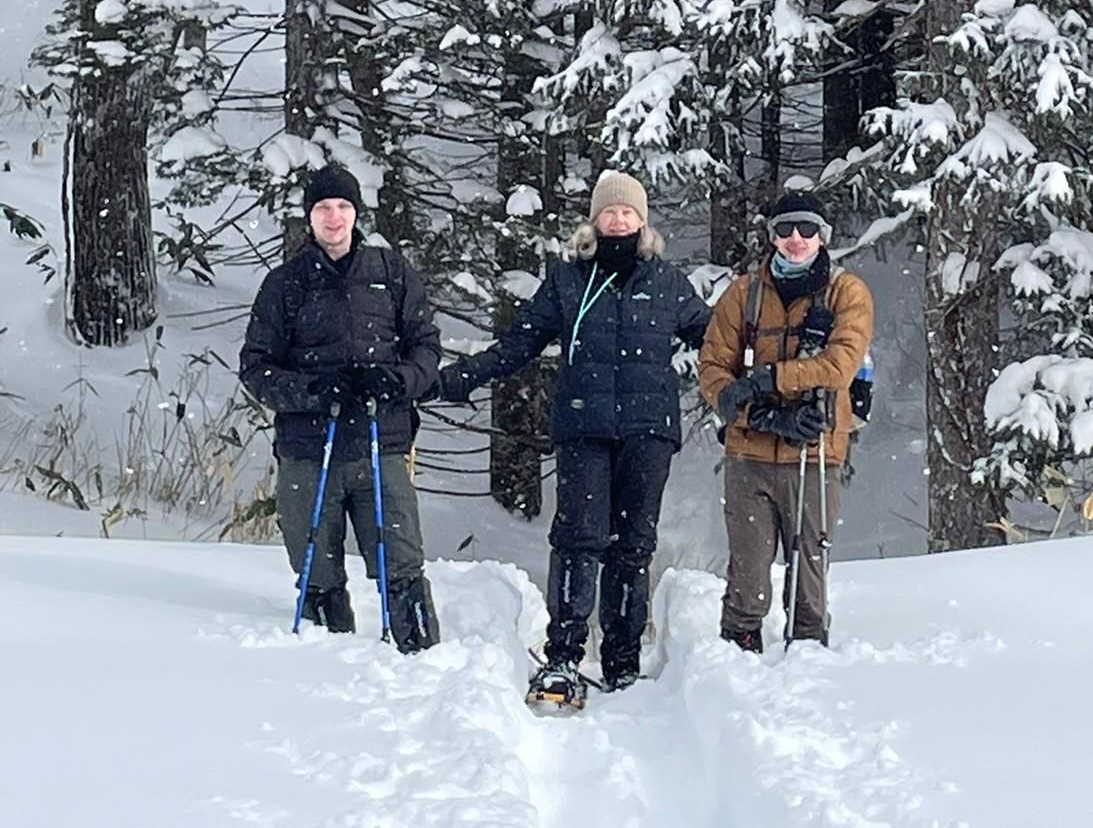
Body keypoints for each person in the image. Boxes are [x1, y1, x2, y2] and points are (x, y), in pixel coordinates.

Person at [436, 170, 712, 705]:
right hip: (583, 427)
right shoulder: (568, 280)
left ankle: (623, 661)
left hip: (647, 430)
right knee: (578, 538)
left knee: (633, 546)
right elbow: (519, 343)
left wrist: (770, 367)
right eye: (609, 211)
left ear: (642, 220)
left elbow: (719, 339)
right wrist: (462, 376)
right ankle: (563, 655)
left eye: (627, 212)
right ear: (594, 219)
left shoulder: (667, 282)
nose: (618, 219)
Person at [239, 163, 442, 653]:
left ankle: (422, 661)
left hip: (381, 441)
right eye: (324, 208)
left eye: (344, 207)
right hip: (310, 448)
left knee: (401, 559)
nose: (334, 218)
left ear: (357, 213)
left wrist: (397, 381)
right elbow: (256, 369)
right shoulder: (285, 284)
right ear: (309, 217)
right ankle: (324, 664)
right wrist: (312, 391)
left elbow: (427, 350)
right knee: (317, 565)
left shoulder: (391, 273)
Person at [698, 189, 874, 651]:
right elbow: (714, 371)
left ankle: (809, 653)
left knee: (810, 566)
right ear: (772, 236)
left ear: (823, 236)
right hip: (749, 452)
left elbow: (840, 364)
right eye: (785, 229)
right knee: (748, 568)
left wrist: (767, 379)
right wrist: (764, 415)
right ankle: (738, 650)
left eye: (807, 229)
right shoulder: (743, 295)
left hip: (818, 450)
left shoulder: (846, 292)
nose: (796, 239)